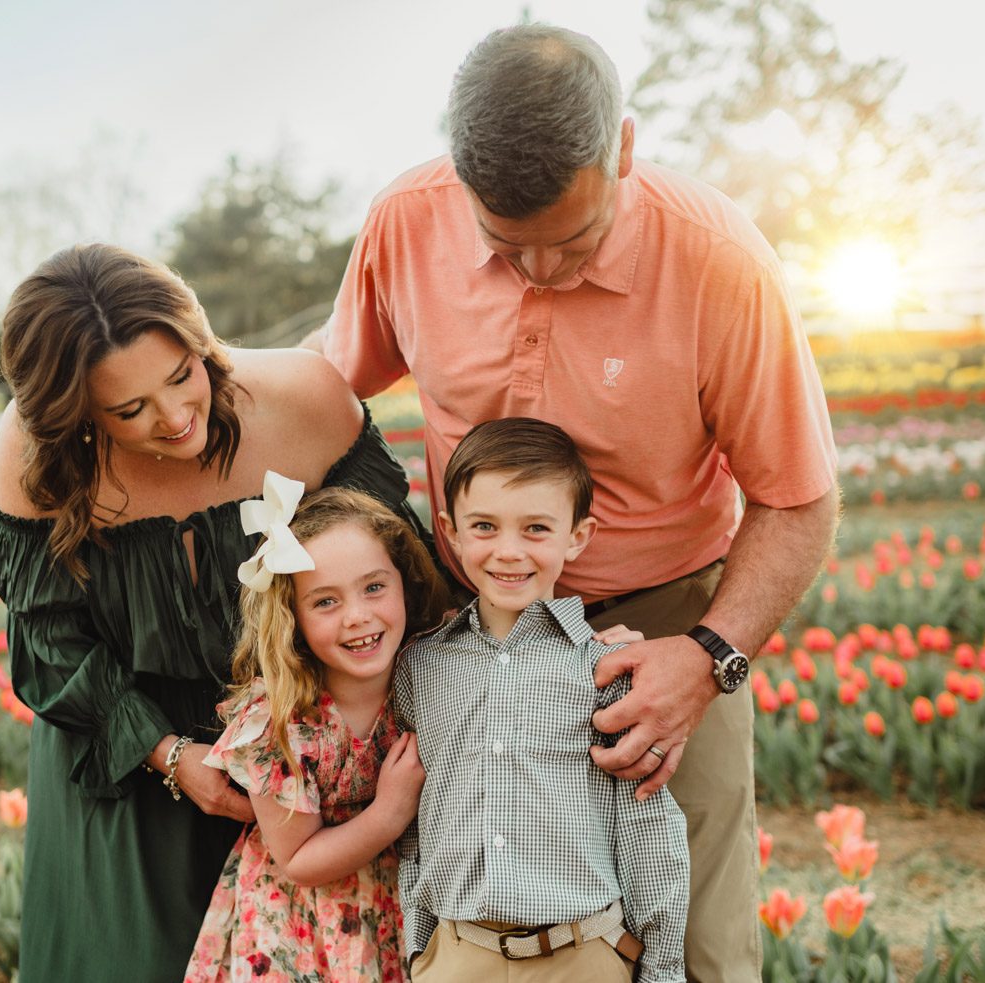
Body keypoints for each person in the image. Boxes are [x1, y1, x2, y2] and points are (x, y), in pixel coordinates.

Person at [314, 24, 839, 980]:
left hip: (664, 620)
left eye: (576, 239)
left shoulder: (721, 263)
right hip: (466, 625)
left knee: (702, 939)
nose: (543, 270)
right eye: (508, 246)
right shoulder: (406, 220)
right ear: (460, 179)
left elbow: (798, 497)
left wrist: (710, 656)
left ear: (624, 150)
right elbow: (325, 391)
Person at [0, 243, 432, 982]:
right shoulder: (38, 453)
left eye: (181, 375)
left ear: (200, 342)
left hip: (304, 758)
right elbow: (48, 642)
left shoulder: (303, 397)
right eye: (129, 409)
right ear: (74, 415)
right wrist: (167, 755)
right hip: (123, 748)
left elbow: (400, 575)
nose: (173, 417)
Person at [396, 418, 689, 983]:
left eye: (535, 529)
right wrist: (421, 949)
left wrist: (661, 970)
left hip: (582, 954)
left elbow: (649, 833)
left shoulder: (606, 671)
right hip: (456, 957)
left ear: (576, 536)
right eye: (484, 526)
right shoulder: (420, 669)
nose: (508, 551)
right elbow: (414, 826)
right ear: (450, 531)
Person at [184, 481, 449, 982]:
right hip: (305, 931)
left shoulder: (434, 673)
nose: (358, 616)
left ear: (405, 581)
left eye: (374, 587)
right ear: (293, 618)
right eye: (325, 602)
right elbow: (299, 859)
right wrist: (390, 812)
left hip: (408, 910)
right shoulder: (279, 722)